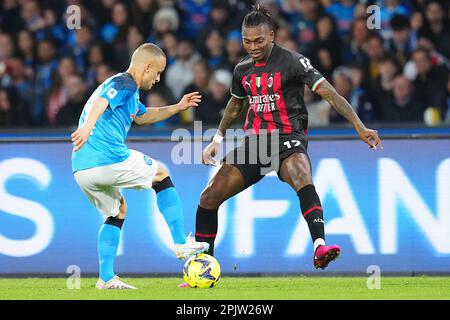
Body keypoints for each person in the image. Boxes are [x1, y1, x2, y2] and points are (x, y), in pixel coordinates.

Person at [191, 4, 382, 280]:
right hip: (255, 144)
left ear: (272, 35)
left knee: (302, 175)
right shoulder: (242, 68)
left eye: (258, 40)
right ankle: (203, 269)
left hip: (288, 138)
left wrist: (359, 126)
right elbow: (235, 104)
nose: (253, 46)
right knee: (208, 197)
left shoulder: (293, 61)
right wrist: (217, 138)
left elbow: (330, 93)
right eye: (247, 41)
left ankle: (319, 247)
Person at [71, 43, 209, 290]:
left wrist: (178, 107)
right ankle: (180, 242)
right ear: (146, 67)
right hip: (107, 157)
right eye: (157, 73)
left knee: (117, 211)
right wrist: (87, 127)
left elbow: (143, 116)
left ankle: (105, 278)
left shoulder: (129, 93)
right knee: (161, 174)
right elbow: (101, 102)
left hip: (82, 169)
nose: (157, 79)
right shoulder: (125, 82)